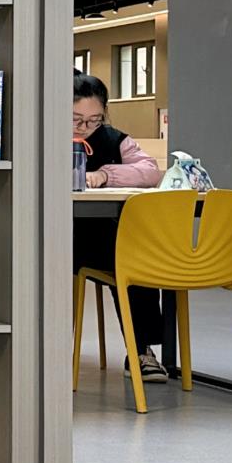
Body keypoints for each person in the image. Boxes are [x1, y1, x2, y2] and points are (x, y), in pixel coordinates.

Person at [71, 72, 166, 382]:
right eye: (76, 119)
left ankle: (141, 350)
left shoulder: (114, 140)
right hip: (55, 238)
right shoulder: (42, 134)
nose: (84, 128)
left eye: (94, 120)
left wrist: (106, 175)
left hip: (102, 238)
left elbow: (150, 171)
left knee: (133, 254)